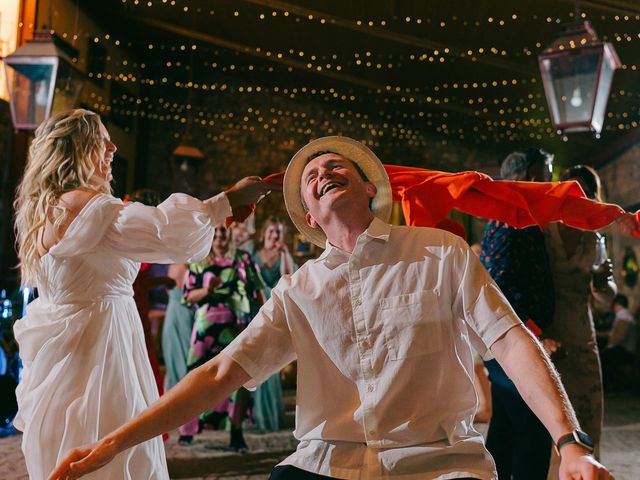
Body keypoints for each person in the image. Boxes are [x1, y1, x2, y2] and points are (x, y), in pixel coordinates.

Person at [51, 136, 611, 480]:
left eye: (335, 166)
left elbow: (510, 340)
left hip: (438, 467)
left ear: (372, 189)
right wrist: (112, 443)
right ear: (310, 218)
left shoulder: (441, 252)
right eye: (311, 176)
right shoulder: (298, 290)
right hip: (322, 467)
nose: (322, 173)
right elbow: (221, 371)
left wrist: (570, 444)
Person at [11, 109, 277, 479]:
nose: (113, 147)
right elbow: (164, 232)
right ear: (79, 148)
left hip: (66, 353)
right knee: (109, 453)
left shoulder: (43, 209)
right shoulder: (89, 207)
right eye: (103, 140)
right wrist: (226, 201)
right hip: (101, 352)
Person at [479, 148, 560, 479]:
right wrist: (533, 332)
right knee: (532, 433)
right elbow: (497, 286)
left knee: (506, 429)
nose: (550, 182)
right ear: (533, 177)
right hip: (516, 345)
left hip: (513, 343)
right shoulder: (511, 219)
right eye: (548, 173)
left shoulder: (512, 215)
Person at [544, 165, 616, 475]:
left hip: (583, 337)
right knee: (553, 421)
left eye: (588, 192)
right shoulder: (543, 229)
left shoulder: (594, 238)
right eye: (575, 189)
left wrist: (601, 282)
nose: (581, 196)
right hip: (548, 335)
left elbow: (605, 299)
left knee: (587, 418)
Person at [177, 224, 265, 448]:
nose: (219, 236)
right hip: (207, 329)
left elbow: (258, 289)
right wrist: (208, 290)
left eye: (223, 231)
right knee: (196, 380)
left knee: (241, 378)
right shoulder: (199, 261)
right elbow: (187, 296)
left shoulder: (243, 257)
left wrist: (265, 318)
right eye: (214, 232)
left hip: (238, 327)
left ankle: (236, 432)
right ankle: (188, 429)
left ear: (230, 234)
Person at [252, 216, 295, 431]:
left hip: (274, 311)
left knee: (270, 362)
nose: (274, 235)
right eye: (271, 231)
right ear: (264, 233)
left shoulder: (283, 256)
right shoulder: (253, 254)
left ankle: (268, 416)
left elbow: (288, 278)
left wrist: (285, 252)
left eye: (278, 232)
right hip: (252, 311)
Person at [161, 263, 193, 392]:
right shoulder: (181, 268)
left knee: (177, 356)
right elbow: (188, 294)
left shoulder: (174, 266)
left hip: (174, 313)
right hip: (182, 316)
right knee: (183, 357)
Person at [601, 294, 637, 391]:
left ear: (616, 304)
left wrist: (607, 347)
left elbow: (618, 338)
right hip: (624, 349)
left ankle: (607, 387)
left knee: (603, 357)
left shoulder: (624, 316)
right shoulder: (624, 316)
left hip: (625, 351)